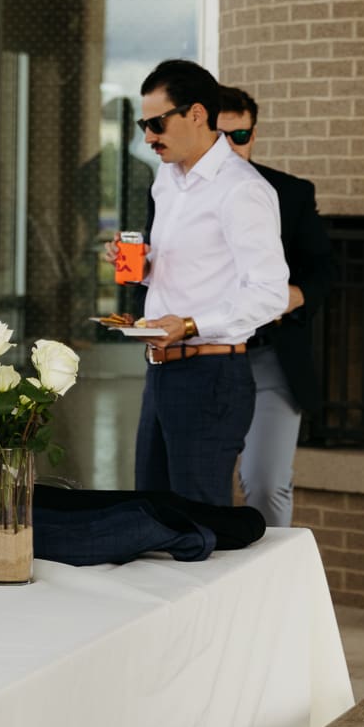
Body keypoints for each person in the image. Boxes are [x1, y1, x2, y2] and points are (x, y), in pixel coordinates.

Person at [128, 60, 290, 509]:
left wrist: (191, 324)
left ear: (196, 114)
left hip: (211, 375)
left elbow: (270, 293)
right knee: (151, 516)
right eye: (143, 124)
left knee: (197, 526)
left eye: (157, 123)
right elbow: (197, 267)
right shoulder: (167, 180)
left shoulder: (242, 189)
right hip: (161, 369)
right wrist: (143, 267)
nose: (148, 137)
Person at [214, 87, 332, 528]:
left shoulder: (291, 193)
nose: (230, 147)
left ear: (254, 134)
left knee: (265, 482)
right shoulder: (174, 191)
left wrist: (290, 296)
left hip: (270, 353)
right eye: (219, 136)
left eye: (239, 135)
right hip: (204, 353)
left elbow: (323, 271)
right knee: (195, 485)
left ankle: (272, 588)